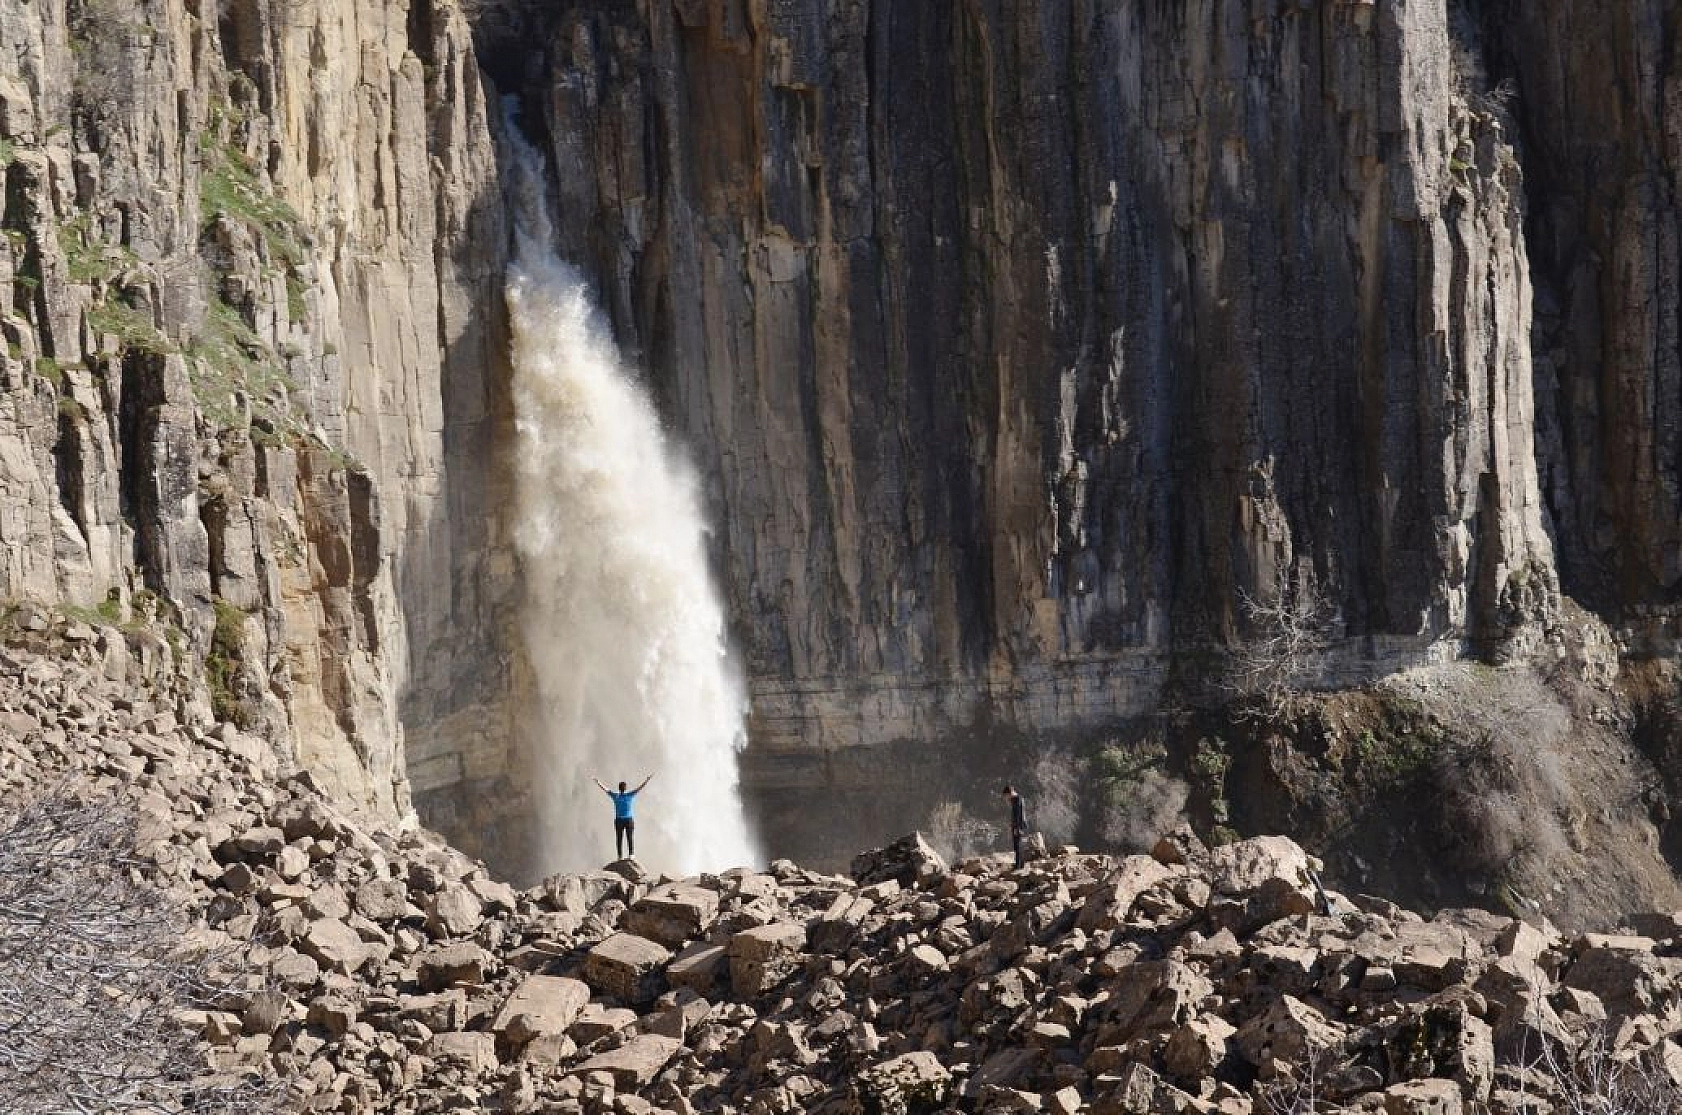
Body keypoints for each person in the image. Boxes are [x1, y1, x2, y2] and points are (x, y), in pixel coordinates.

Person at [593, 774, 652, 858]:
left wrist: (598, 782)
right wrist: (647, 780)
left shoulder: (616, 796)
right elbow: (640, 788)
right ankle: (631, 854)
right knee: (629, 837)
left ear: (619, 788)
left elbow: (606, 790)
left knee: (619, 838)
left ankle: (620, 855)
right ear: (625, 788)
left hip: (619, 820)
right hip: (628, 820)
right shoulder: (629, 795)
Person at [1001, 784, 1028, 867]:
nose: (1006, 798)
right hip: (1018, 825)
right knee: (1018, 845)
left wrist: (1017, 827)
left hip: (1018, 826)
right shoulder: (1016, 799)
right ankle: (1020, 864)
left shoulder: (1017, 800)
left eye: (1007, 795)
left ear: (1010, 793)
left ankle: (1018, 865)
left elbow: (1019, 815)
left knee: (1018, 846)